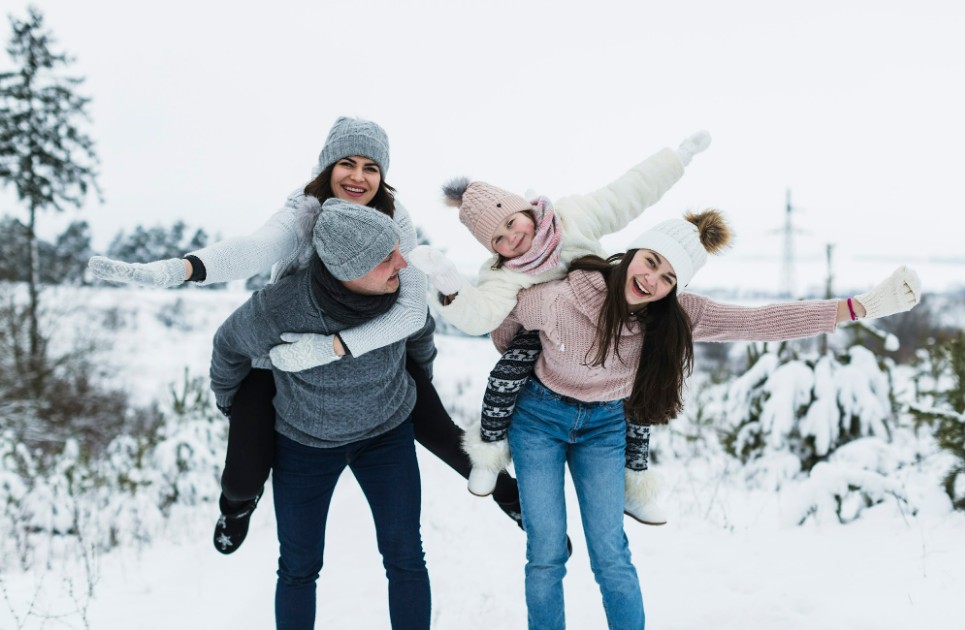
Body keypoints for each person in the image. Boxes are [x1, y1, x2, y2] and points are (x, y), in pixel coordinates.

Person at [87, 116, 525, 555]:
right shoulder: (302, 207)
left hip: (374, 338)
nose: (358, 176)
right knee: (242, 473)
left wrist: (337, 349)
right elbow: (256, 248)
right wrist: (180, 269)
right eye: (347, 163)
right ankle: (237, 507)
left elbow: (412, 312)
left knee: (435, 427)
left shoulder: (395, 217)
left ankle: (509, 497)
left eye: (371, 167)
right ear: (326, 166)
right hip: (288, 339)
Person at [475, 208, 921, 629]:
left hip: (604, 428)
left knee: (611, 553)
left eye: (668, 278)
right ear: (632, 254)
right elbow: (506, 322)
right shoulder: (563, 297)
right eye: (650, 262)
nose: (652, 280)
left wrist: (857, 307)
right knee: (547, 551)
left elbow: (762, 321)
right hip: (539, 421)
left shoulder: (678, 317)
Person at [409, 131, 712, 523]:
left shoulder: (573, 217)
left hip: (609, 320)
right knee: (507, 373)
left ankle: (634, 482)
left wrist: (677, 158)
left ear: (525, 210)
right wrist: (451, 288)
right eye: (498, 239)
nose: (512, 238)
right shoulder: (502, 274)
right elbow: (481, 315)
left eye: (511, 222)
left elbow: (627, 194)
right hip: (546, 336)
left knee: (638, 382)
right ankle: (489, 451)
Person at [209, 199, 432, 629]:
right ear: (350, 269)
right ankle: (235, 507)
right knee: (298, 566)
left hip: (385, 434)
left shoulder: (400, 289)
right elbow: (229, 343)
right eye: (388, 257)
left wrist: (423, 370)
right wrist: (229, 400)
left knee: (406, 556)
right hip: (304, 443)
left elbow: (420, 329)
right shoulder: (283, 306)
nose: (403, 262)